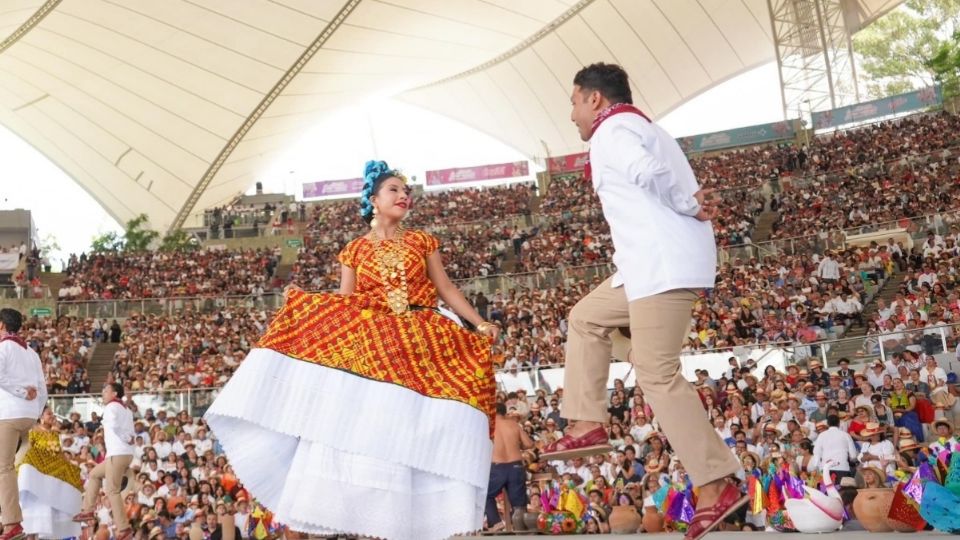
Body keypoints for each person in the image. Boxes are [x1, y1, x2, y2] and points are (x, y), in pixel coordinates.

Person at [204, 160, 499, 540]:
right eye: (394, 189)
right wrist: (311, 311)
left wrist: (480, 322)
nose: (404, 195)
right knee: (375, 431)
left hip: (425, 339)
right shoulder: (354, 251)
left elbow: (445, 287)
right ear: (373, 200)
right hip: (377, 345)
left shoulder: (422, 241)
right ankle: (371, 517)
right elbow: (346, 305)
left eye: (406, 191)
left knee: (424, 427)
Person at [545, 62, 743, 540]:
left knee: (656, 374)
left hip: (662, 266)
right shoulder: (636, 126)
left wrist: (689, 203)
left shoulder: (614, 130)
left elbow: (647, 172)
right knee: (586, 318)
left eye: (574, 101)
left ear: (594, 99)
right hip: (642, 268)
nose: (571, 114)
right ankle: (587, 420)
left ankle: (716, 483)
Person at [0, 308, 47, 540]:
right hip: (28, 416)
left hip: (8, 415)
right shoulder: (31, 352)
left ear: (1, 326)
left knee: (4, 468)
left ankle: (11, 523)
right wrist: (34, 413)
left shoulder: (3, 347)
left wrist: (20, 392)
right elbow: (43, 390)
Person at [72, 383, 135, 540]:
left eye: (105, 390)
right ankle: (88, 509)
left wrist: (125, 437)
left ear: (114, 393)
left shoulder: (112, 406)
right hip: (124, 454)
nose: (102, 392)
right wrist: (127, 438)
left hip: (117, 453)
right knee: (94, 474)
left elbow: (115, 426)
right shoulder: (126, 409)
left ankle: (123, 527)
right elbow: (130, 433)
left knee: (112, 491)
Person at [17, 407, 83, 539]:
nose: (52, 416)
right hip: (37, 478)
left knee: (49, 517)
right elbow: (28, 453)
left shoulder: (55, 433)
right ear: (41, 417)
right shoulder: (33, 432)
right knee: (34, 517)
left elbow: (59, 454)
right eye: (49, 414)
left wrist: (71, 467)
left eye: (53, 414)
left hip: (51, 480)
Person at [485, 402, 534, 532]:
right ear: (504, 412)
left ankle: (495, 522)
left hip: (497, 467)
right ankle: (520, 530)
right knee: (518, 505)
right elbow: (529, 444)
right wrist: (517, 446)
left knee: (485, 495)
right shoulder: (513, 424)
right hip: (516, 466)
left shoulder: (488, 426)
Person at [812, 414, 858, 482]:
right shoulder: (846, 435)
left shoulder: (822, 435)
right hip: (843, 468)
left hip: (826, 469)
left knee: (827, 491)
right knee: (842, 491)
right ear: (839, 423)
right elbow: (853, 456)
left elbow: (816, 453)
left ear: (827, 424)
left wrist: (816, 467)